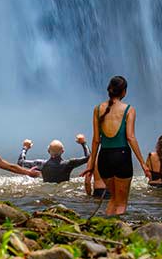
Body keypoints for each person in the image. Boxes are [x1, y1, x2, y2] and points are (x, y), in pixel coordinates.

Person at [82, 76, 150, 215]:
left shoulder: (97, 109)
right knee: (121, 202)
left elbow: (96, 140)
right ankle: (118, 231)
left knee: (113, 199)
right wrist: (143, 163)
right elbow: (130, 137)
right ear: (124, 92)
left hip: (104, 158)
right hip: (121, 157)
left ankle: (108, 224)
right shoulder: (129, 109)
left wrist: (91, 165)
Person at [17, 134, 90, 183]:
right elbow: (88, 158)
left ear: (48, 151)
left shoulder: (40, 164)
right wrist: (83, 143)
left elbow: (20, 162)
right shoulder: (69, 164)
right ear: (63, 151)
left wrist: (25, 148)